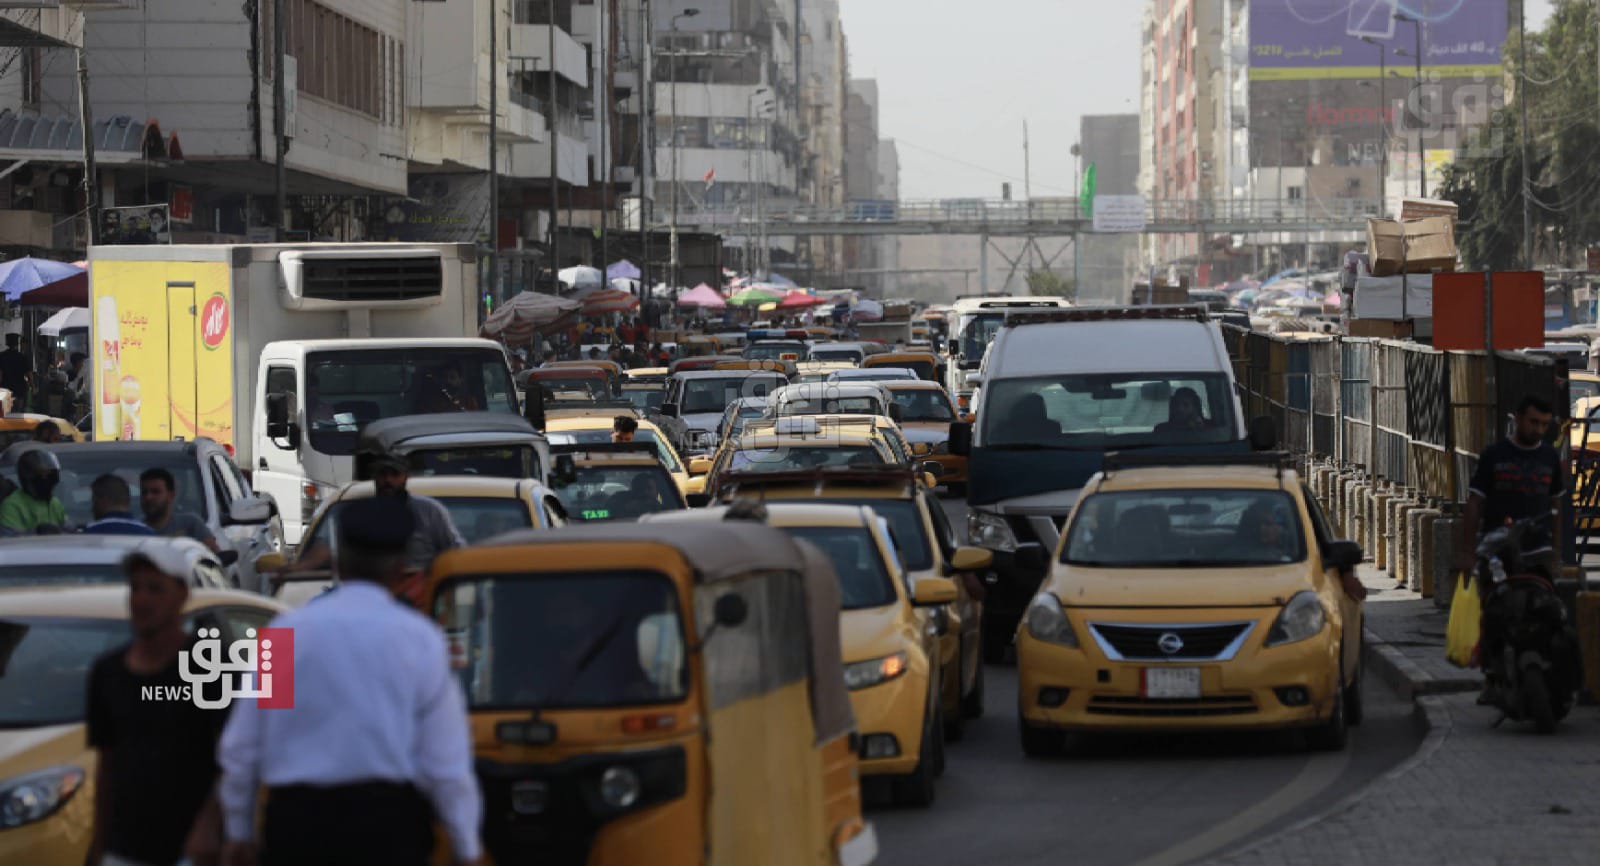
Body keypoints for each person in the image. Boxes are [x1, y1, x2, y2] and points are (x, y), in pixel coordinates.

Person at [217, 496, 483, 866]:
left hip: (297, 829)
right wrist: (466, 845)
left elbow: (242, 748)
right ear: (401, 567)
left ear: (338, 561)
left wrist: (239, 832)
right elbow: (446, 763)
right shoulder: (420, 640)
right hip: (388, 830)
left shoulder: (283, 634)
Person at [87, 542, 229, 866]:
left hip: (191, 851)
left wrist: (209, 825)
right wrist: (100, 846)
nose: (142, 599)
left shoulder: (206, 668)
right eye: (135, 588)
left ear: (182, 595)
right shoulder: (107, 672)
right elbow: (107, 764)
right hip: (125, 851)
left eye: (155, 589)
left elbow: (233, 758)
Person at [287, 455, 465, 601]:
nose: (387, 480)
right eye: (382, 474)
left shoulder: (430, 511)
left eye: (394, 474)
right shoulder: (420, 632)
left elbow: (270, 644)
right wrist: (299, 568)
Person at [1453, 395, 1564, 586]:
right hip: (1497, 549)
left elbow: (1556, 507)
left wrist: (1556, 552)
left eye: (1544, 424)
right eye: (1534, 422)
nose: (1539, 430)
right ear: (1519, 419)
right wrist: (1467, 552)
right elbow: (1474, 503)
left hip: (1538, 549)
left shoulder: (1550, 457)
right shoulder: (1494, 455)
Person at [141, 467, 222, 553]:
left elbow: (215, 557)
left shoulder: (191, 524)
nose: (148, 497)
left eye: (155, 492)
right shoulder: (135, 530)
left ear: (171, 495)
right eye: (144, 492)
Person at [0, 448, 67, 535]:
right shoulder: (13, 505)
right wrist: (36, 533)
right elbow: (11, 538)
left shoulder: (54, 503)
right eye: (41, 475)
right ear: (28, 477)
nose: (46, 479)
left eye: (49, 475)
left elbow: (69, 529)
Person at [84, 473, 157, 535]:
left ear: (104, 500)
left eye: (94, 501)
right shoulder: (149, 535)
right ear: (127, 501)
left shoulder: (87, 534)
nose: (92, 508)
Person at [0, 332, 31, 406]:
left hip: (6, 390)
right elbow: (29, 374)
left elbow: (0, 374)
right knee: (18, 414)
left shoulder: (2, 356)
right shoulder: (22, 357)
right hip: (19, 390)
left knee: (6, 414)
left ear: (7, 343)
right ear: (17, 344)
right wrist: (32, 386)